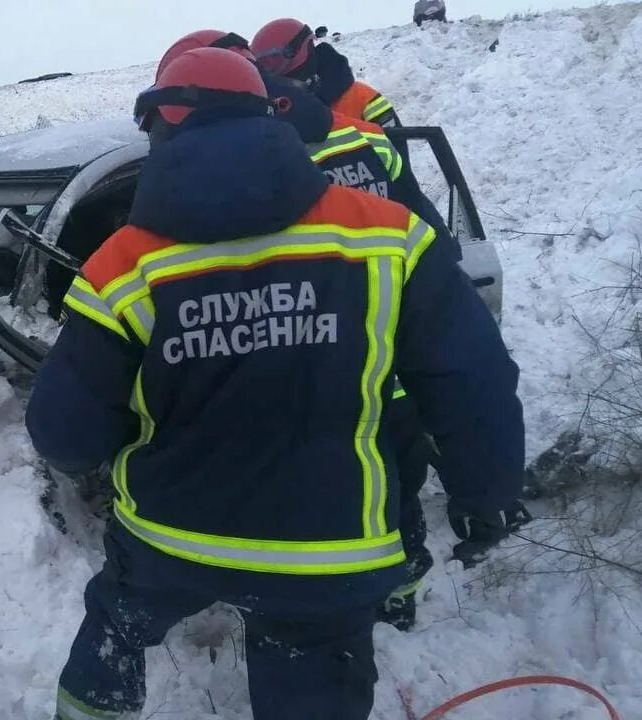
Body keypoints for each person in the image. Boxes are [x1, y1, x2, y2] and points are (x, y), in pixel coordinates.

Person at [26, 47, 527, 720]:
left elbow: (64, 434)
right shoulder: (387, 236)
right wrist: (485, 492)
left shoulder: (121, 266)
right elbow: (475, 383)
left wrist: (126, 439)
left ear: (164, 125)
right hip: (327, 552)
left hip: (171, 539)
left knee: (116, 627)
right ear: (269, 119)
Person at [252, 18, 401, 128]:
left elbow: (399, 162)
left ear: (297, 51)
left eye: (275, 59)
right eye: (264, 64)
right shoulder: (273, 110)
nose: (271, 70)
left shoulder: (363, 99)